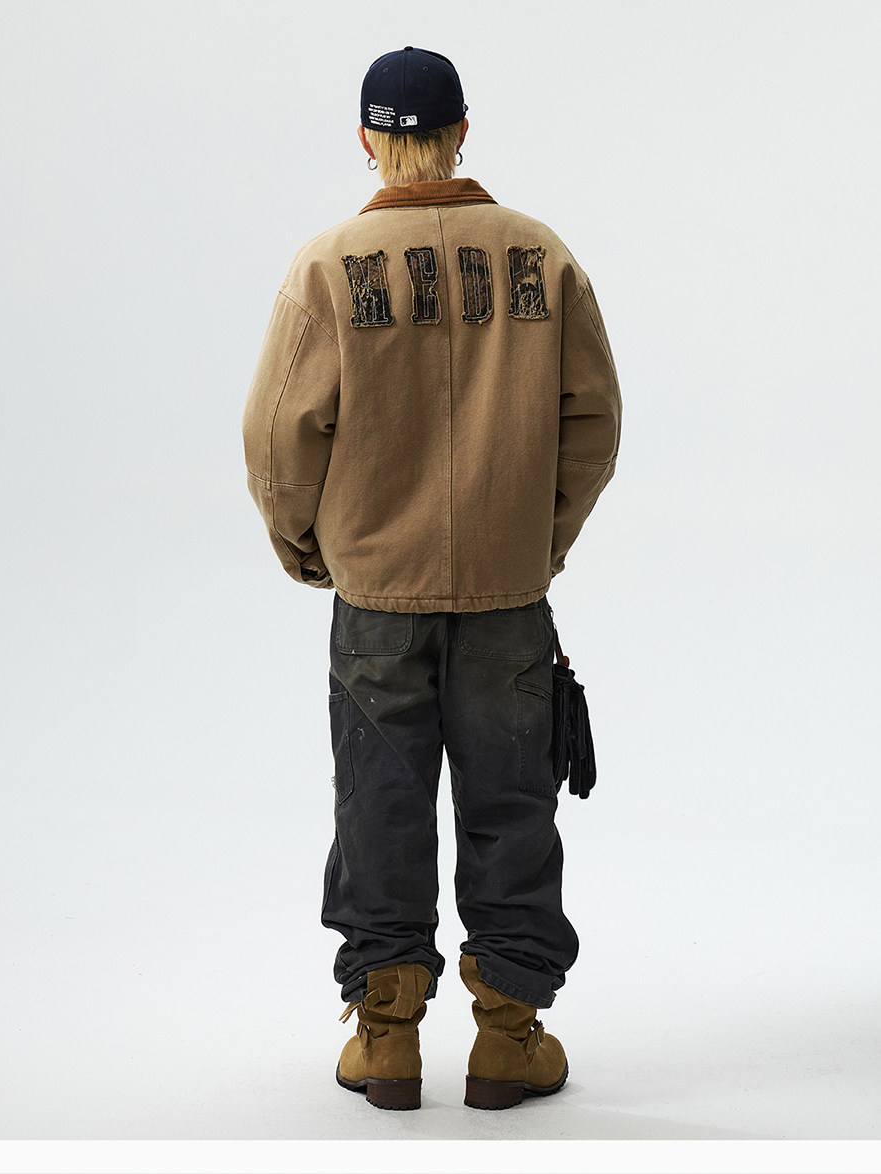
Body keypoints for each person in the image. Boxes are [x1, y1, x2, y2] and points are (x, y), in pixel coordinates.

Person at [241, 45, 622, 1111]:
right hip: (509, 594)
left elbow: (276, 437)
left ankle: (386, 1039)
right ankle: (508, 1037)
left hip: (375, 597)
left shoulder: (327, 268)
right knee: (514, 806)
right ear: (462, 132)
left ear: (367, 140)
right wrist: (538, 539)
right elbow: (594, 425)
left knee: (379, 806)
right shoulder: (542, 255)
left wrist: (309, 547)